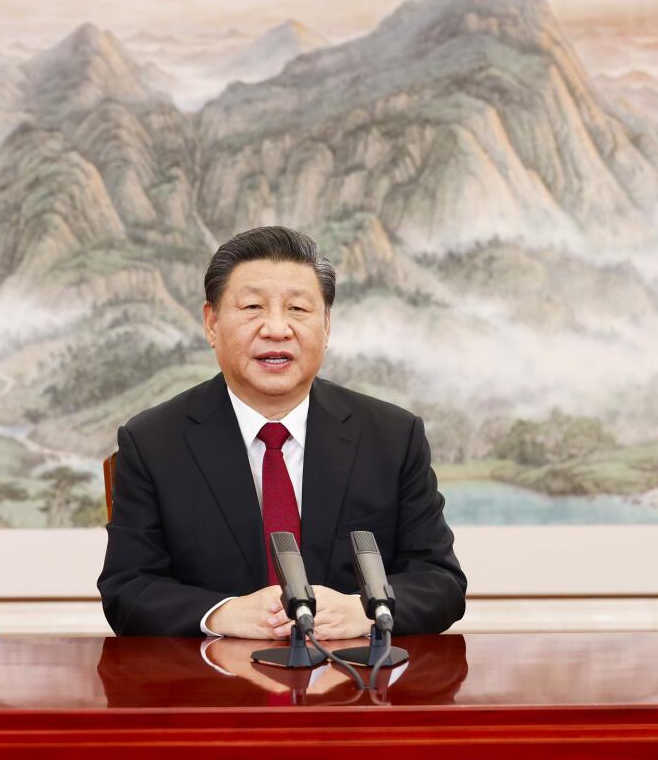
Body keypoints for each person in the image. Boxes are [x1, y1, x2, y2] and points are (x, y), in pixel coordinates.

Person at [98, 226, 466, 638]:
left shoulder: (393, 438)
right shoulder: (153, 442)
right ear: (212, 323)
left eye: (298, 309)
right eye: (253, 307)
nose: (276, 328)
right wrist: (221, 613)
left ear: (326, 326)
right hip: (215, 688)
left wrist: (361, 610)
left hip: (356, 690)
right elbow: (127, 588)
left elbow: (441, 582)